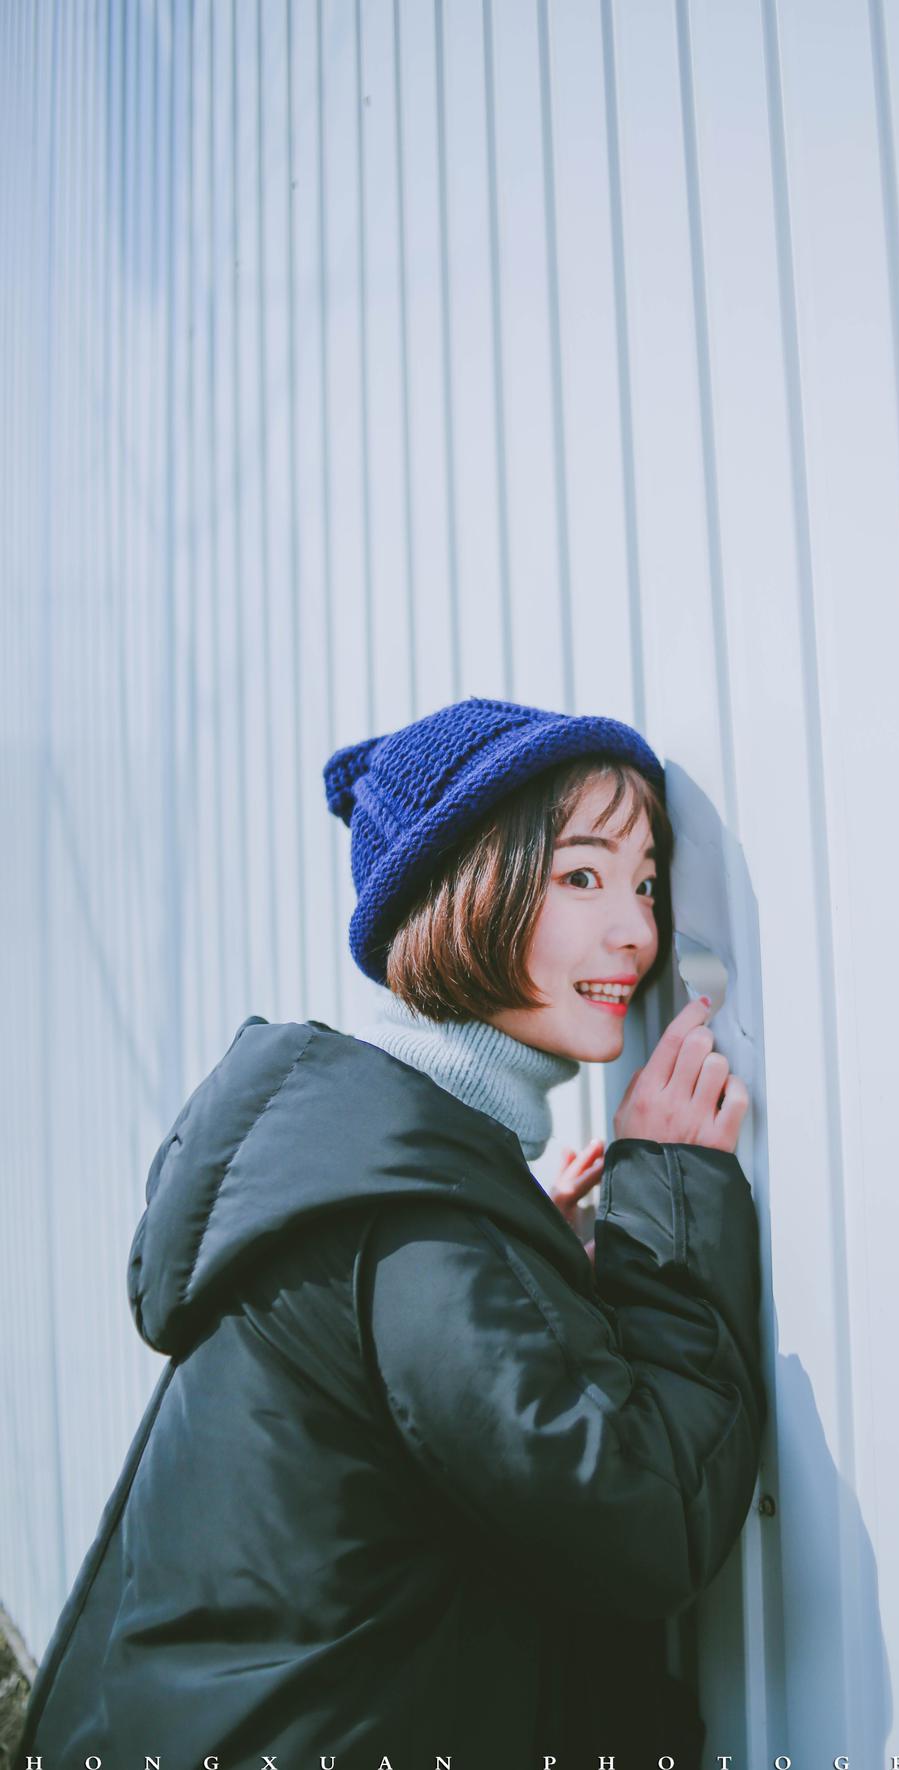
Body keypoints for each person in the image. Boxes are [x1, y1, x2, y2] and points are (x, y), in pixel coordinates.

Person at [18, 694, 767, 1767]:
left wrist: (530, 1258)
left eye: (645, 883)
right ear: (459, 894)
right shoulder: (414, 1224)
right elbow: (647, 1516)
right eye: (581, 877)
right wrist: (671, 1214)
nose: (639, 931)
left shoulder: (378, 1168)